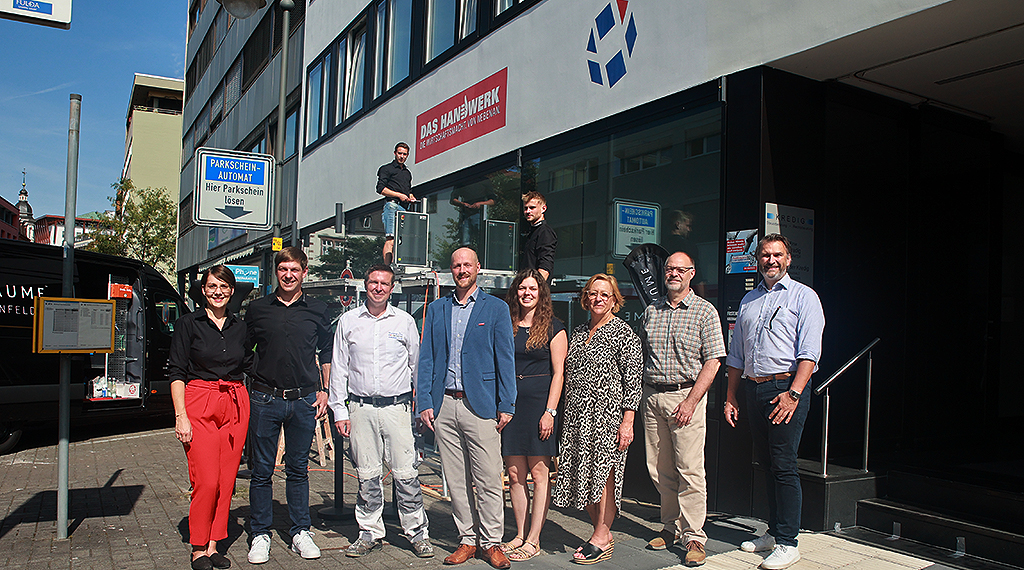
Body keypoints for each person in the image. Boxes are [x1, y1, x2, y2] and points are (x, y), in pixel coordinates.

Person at [723, 234, 825, 570]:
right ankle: (774, 531)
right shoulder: (749, 299)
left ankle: (789, 542)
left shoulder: (804, 297)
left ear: (788, 259)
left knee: (784, 465)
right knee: (766, 464)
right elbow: (736, 354)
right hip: (754, 389)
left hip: (786, 388)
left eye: (777, 255)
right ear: (758, 259)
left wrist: (793, 394)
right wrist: (731, 395)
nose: (771, 260)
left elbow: (809, 352)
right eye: (765, 255)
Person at [416, 247, 517, 569]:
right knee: (456, 480)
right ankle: (468, 540)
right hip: (445, 404)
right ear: (452, 270)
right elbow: (427, 358)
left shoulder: (496, 308)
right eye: (457, 265)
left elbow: (505, 359)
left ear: (478, 268)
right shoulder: (437, 308)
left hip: (481, 405)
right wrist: (424, 402)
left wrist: (507, 403)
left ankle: (492, 542)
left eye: (467, 265)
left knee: (488, 479)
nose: (462, 270)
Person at [327, 264, 433, 559]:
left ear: (392, 288)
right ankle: (369, 532)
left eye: (384, 283)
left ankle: (417, 533)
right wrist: (339, 410)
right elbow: (339, 369)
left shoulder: (404, 322)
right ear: (365, 285)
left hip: (397, 409)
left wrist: (421, 407)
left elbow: (417, 367)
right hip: (360, 409)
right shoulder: (349, 321)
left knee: (406, 474)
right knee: (367, 475)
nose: (378, 288)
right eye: (373, 282)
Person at [244, 247, 334, 564]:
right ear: (277, 272)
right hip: (265, 399)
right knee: (261, 471)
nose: (288, 275)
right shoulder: (257, 309)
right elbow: (244, 350)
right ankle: (260, 533)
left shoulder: (317, 310)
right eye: (283, 269)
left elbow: (326, 351)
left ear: (304, 272)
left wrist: (325, 391)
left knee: (298, 470)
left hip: (304, 400)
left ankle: (300, 531)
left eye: (294, 269)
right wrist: (252, 380)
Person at [641, 252, 726, 567]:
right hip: (652, 397)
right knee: (659, 468)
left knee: (689, 469)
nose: (674, 273)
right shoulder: (651, 311)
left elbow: (714, 361)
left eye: (680, 269)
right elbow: (642, 355)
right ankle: (670, 526)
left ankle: (694, 537)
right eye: (669, 269)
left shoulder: (705, 312)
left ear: (692, 273)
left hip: (685, 397)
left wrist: (691, 401)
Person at [553, 274, 643, 565]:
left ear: (615, 300)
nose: (598, 299)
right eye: (593, 293)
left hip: (608, 418)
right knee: (584, 475)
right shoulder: (579, 332)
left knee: (604, 477)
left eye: (605, 294)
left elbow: (633, 382)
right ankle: (600, 532)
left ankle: (601, 537)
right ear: (585, 298)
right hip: (576, 417)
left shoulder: (624, 334)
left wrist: (627, 422)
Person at [169, 265, 251, 570]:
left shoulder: (240, 327)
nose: (218, 292)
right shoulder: (188, 324)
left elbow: (251, 364)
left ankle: (215, 544)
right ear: (203, 290)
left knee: (227, 480)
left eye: (224, 286)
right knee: (206, 480)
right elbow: (176, 371)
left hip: (235, 401)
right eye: (212, 286)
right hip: (200, 400)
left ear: (232, 291)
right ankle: (198, 546)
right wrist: (181, 416)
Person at [499, 269, 568, 561]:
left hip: (540, 406)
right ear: (516, 292)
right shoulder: (507, 324)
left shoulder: (554, 327)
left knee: (539, 474)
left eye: (532, 289)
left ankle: (534, 539)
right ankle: (519, 534)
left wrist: (550, 412)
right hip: (512, 406)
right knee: (515, 474)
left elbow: (559, 373)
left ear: (541, 294)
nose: (527, 293)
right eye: (522, 288)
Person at [377, 142, 415, 264]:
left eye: (404, 154)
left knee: (401, 240)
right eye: (400, 153)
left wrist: (411, 197)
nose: (402, 156)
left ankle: (395, 265)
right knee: (391, 238)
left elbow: (408, 191)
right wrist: (399, 195)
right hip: (392, 205)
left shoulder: (407, 173)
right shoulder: (386, 169)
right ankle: (387, 268)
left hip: (404, 208)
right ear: (395, 153)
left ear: (407, 155)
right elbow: (380, 189)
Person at [664, 211, 705, 296]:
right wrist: (702, 296)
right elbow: (698, 276)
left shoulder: (662, 244)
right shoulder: (687, 245)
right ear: (678, 224)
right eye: (687, 226)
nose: (689, 230)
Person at [519, 191, 557, 281]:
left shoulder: (545, 232)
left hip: (535, 287)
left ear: (543, 208)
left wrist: (535, 286)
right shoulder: (532, 232)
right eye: (525, 208)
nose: (528, 211)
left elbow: (545, 267)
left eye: (532, 208)